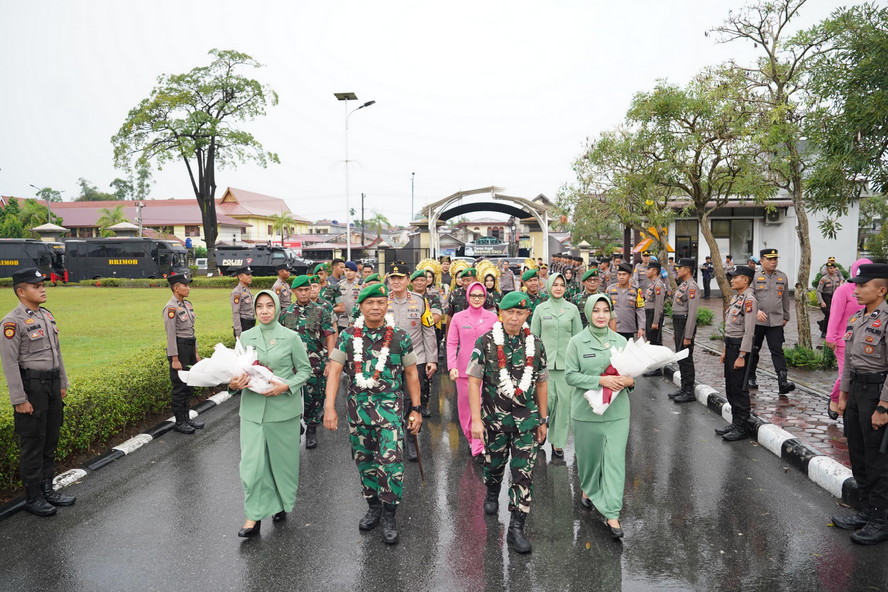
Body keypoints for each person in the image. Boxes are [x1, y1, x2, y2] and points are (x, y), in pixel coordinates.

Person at [323, 283, 424, 545]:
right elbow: (334, 371)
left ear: (386, 304)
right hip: (358, 415)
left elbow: (412, 374)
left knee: (390, 464)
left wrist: (416, 409)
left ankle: (390, 514)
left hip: (390, 413)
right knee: (364, 462)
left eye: (380, 302)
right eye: (370, 303)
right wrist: (329, 407)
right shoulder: (347, 336)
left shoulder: (400, 336)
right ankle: (374, 507)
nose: (375, 307)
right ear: (361, 306)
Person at [468, 291, 549, 554]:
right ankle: (492, 491)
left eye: (520, 312)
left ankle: (516, 528)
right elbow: (473, 380)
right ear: (500, 313)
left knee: (523, 474)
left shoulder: (536, 344)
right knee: (494, 466)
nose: (514, 317)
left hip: (526, 421)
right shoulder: (487, 342)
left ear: (527, 315)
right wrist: (476, 421)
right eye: (509, 312)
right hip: (494, 420)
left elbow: (542, 382)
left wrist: (543, 420)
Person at [228, 290, 312, 537]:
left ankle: (280, 504)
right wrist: (233, 385)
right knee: (252, 467)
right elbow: (234, 373)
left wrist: (286, 385)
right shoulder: (246, 336)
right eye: (260, 307)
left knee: (281, 464)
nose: (264, 311)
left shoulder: (291, 337)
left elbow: (305, 371)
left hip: (282, 411)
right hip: (252, 412)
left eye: (269, 306)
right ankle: (253, 516)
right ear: (254, 310)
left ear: (277, 308)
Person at [1, 268, 75, 516]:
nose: (42, 288)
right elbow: (9, 364)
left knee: (50, 440)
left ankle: (47, 490)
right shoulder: (12, 322)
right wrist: (19, 399)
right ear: (21, 292)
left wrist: (62, 382)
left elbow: (57, 353)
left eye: (42, 284)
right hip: (32, 387)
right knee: (33, 443)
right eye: (36, 286)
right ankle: (33, 497)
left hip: (52, 384)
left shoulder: (46, 315)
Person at [565, 293, 635, 539]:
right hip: (587, 413)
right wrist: (599, 380)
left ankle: (612, 514)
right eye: (596, 310)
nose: (602, 315)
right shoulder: (577, 342)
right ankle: (588, 488)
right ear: (588, 313)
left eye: (606, 310)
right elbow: (570, 376)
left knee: (615, 461)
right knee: (590, 461)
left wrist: (630, 380)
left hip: (617, 413)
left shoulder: (621, 341)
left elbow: (631, 375)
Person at [832, 263, 888, 545]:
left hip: (878, 393)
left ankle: (881, 519)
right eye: (856, 285)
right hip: (855, 392)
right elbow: (849, 363)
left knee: (877, 459)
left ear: (881, 289)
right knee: (858, 452)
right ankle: (865, 511)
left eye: (862, 286)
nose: (856, 290)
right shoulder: (856, 319)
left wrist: (884, 406)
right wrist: (843, 395)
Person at [279, 275, 336, 449]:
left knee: (314, 398)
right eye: (300, 290)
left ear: (311, 290)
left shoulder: (321, 311)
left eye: (306, 289)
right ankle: (296, 426)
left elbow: (330, 335)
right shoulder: (285, 313)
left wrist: (330, 360)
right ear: (294, 291)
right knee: (292, 396)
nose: (304, 293)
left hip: (315, 363)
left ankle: (311, 429)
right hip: (292, 366)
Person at [531, 273, 582, 459]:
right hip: (545, 365)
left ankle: (558, 443)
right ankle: (541, 432)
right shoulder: (540, 309)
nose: (559, 288)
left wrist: (579, 362)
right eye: (555, 284)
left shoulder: (572, 309)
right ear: (549, 286)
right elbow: (533, 337)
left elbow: (578, 338)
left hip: (566, 366)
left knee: (563, 406)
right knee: (546, 403)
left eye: (562, 285)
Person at [447, 281, 498, 460]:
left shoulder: (492, 318)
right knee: (466, 408)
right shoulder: (458, 317)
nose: (477, 299)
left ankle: (480, 445)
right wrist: (452, 366)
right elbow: (452, 343)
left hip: (487, 370)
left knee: (485, 405)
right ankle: (471, 438)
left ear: (485, 297)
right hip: (464, 370)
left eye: (480, 295)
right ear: (468, 296)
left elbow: (499, 342)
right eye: (473, 295)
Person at [387, 262, 438, 431]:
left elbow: (428, 331)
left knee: (411, 400)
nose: (396, 281)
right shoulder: (381, 301)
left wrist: (432, 359)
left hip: (417, 358)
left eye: (400, 278)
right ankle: (394, 435)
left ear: (408, 280)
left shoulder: (420, 301)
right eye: (392, 278)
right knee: (391, 399)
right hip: (389, 360)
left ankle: (411, 437)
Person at [825, 258, 871, 419]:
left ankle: (851, 404)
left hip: (864, 340)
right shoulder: (843, 290)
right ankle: (835, 398)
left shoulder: (871, 291)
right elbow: (835, 315)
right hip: (843, 340)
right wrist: (831, 337)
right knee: (845, 374)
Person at [716, 267, 758, 441]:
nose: (731, 281)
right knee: (731, 386)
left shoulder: (749, 300)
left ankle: (742, 427)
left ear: (745, 280)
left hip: (741, 348)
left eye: (735, 278)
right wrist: (726, 350)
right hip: (731, 347)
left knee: (740, 389)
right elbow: (730, 328)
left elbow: (748, 331)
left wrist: (742, 356)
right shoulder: (736, 298)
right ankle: (735, 422)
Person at [747, 248, 795, 394]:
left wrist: (786, 316)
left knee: (777, 350)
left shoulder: (782, 277)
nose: (774, 262)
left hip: (775, 321)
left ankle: (782, 382)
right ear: (761, 261)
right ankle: (751, 376)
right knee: (754, 349)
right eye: (770, 259)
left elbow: (785, 298)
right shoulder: (754, 277)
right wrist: (755, 312)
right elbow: (748, 297)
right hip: (757, 321)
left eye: (775, 259)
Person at [163, 272, 204, 435]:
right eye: (185, 285)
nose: (188, 288)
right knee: (179, 387)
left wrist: (196, 352)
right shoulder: (171, 308)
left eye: (188, 285)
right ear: (175, 288)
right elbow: (170, 335)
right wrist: (174, 358)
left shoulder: (186, 304)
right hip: (179, 349)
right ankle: (179, 422)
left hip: (189, 347)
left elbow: (191, 331)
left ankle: (187, 418)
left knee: (189, 384)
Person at [670, 258, 700, 404]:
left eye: (680, 267)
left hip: (685, 323)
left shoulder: (692, 287)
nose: (677, 269)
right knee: (680, 356)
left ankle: (689, 391)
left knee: (686, 358)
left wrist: (688, 335)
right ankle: (683, 387)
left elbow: (692, 313)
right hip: (679, 323)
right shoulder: (683, 285)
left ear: (687, 269)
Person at [606, 263, 645, 341]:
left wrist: (641, 327)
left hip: (629, 328)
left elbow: (640, 310)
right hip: (613, 328)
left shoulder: (636, 291)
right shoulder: (609, 290)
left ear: (630, 276)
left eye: (624, 274)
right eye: (619, 274)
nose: (621, 277)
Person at [642, 262, 667, 378]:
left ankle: (657, 368)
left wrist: (656, 321)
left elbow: (659, 305)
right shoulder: (651, 284)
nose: (646, 272)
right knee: (651, 341)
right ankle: (654, 366)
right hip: (649, 313)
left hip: (654, 315)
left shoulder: (658, 285)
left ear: (655, 271)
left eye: (649, 269)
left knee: (655, 342)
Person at [817, 261, 845, 339]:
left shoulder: (837, 278)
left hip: (834, 298)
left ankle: (822, 324)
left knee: (832, 315)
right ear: (827, 269)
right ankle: (824, 331)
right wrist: (821, 301)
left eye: (833, 268)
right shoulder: (824, 279)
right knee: (828, 314)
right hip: (826, 298)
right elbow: (818, 291)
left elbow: (841, 287)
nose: (832, 270)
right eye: (830, 268)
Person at [337, 261, 363, 331]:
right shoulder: (340, 285)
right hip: (342, 321)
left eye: (351, 271)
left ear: (355, 272)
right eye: (346, 270)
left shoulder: (362, 285)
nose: (348, 273)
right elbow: (337, 301)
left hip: (357, 320)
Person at [230, 266, 255, 338]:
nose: (250, 276)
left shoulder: (247, 290)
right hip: (244, 325)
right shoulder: (237, 292)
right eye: (247, 275)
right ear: (240, 277)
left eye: (250, 274)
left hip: (250, 324)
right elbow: (235, 312)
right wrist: (238, 332)